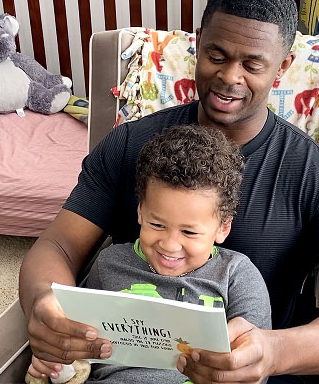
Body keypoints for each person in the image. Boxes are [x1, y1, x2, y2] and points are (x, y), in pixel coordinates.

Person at [19, 0, 319, 384]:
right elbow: (58, 244)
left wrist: (275, 351)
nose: (229, 77)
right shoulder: (130, 145)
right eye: (216, 56)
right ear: (198, 43)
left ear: (283, 66)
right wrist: (47, 303)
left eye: (252, 64)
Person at [27, 125, 271, 383]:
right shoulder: (109, 264)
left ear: (223, 228)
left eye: (189, 232)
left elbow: (254, 362)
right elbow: (76, 342)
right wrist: (56, 359)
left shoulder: (236, 275)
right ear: (141, 212)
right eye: (157, 225)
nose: (169, 245)